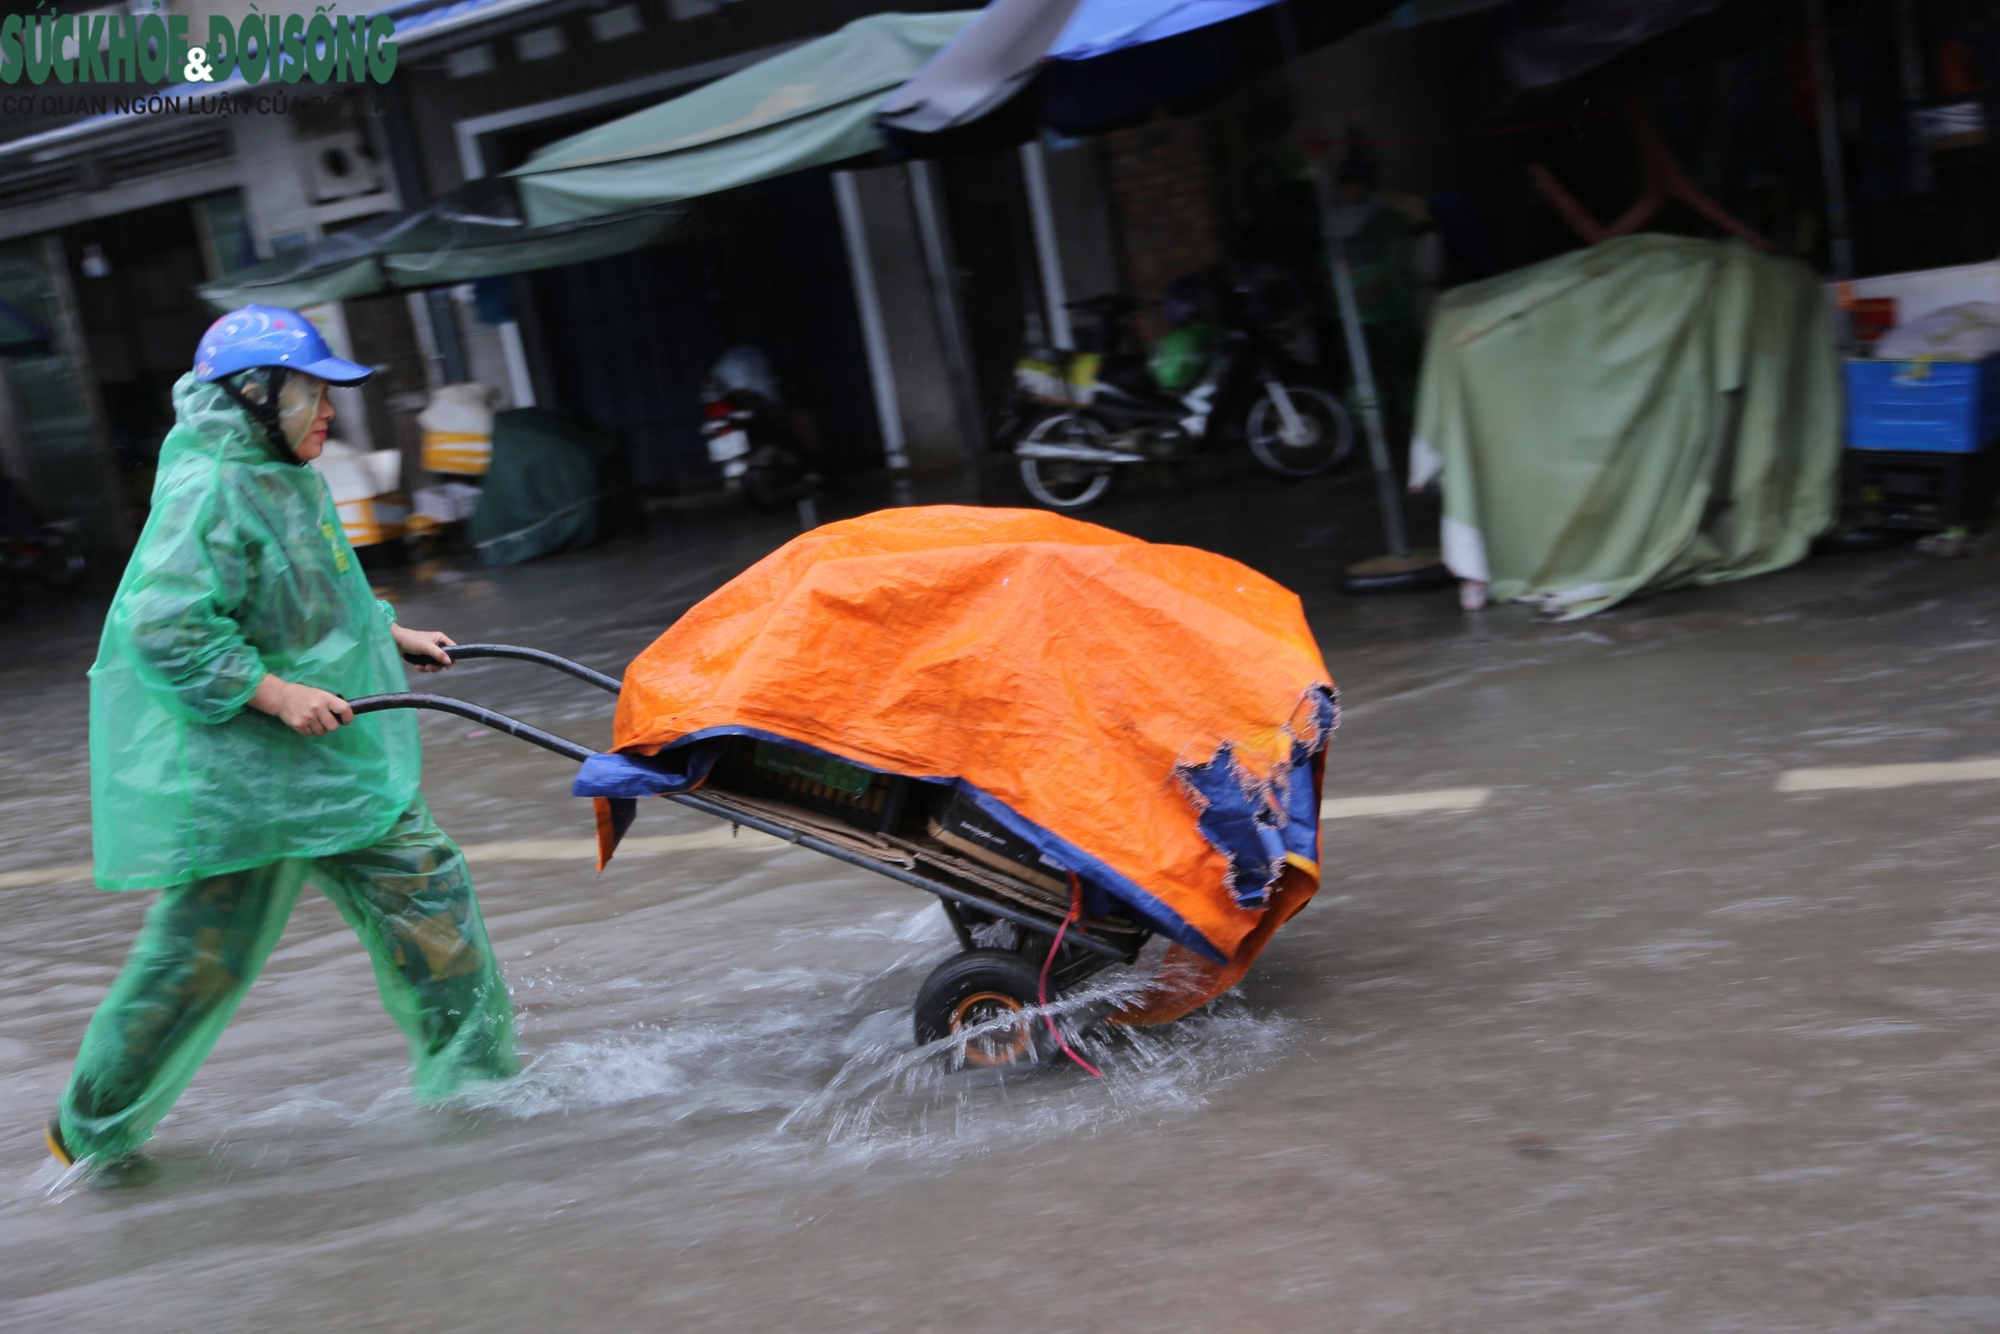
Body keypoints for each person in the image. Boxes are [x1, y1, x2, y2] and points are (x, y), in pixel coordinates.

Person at [46, 305, 517, 1168]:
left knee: (429, 898)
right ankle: (89, 1133)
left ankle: (483, 1097)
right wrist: (270, 693)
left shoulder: (284, 473)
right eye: (313, 392)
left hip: (332, 766)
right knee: (198, 963)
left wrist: (388, 633)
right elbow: (164, 627)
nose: (331, 411)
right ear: (256, 394)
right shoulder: (211, 490)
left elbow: (309, 599)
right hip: (243, 780)